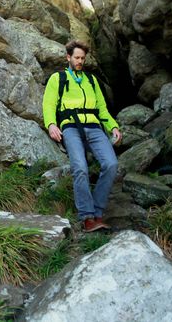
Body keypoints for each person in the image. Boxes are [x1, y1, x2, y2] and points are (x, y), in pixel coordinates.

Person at [42, 40, 122, 232]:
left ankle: (98, 211)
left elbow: (102, 108)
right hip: (70, 127)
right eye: (76, 57)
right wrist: (51, 124)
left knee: (111, 164)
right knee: (80, 167)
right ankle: (87, 218)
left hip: (94, 126)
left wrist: (113, 127)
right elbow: (49, 104)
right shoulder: (58, 79)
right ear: (68, 57)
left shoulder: (91, 80)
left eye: (82, 58)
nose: (80, 61)